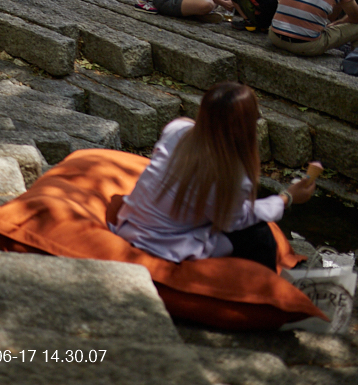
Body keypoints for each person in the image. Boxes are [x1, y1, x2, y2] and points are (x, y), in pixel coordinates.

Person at [111, 82, 317, 270]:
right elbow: (234, 222)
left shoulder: (177, 128)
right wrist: (287, 198)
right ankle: (264, 289)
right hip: (163, 246)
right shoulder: (233, 175)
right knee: (259, 234)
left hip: (128, 226)